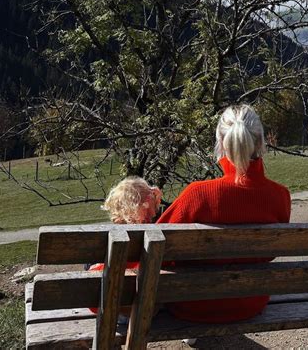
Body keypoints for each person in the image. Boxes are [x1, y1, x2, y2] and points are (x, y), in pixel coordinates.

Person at [157, 104, 291, 324]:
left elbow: (155, 248)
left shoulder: (198, 194)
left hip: (191, 304)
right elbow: (269, 254)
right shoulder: (280, 196)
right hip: (250, 303)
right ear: (260, 142)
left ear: (221, 142)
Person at [88, 177, 162, 316]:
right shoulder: (153, 238)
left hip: (117, 309)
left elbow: (92, 294)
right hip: (149, 306)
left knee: (91, 267)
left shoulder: (114, 241)